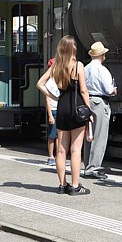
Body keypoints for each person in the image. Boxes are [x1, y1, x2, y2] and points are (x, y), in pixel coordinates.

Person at [37, 36, 91, 195]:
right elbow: (83, 90)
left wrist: (53, 97)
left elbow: (39, 83)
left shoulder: (56, 66)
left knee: (61, 150)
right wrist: (88, 110)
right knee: (75, 149)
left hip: (61, 108)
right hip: (76, 108)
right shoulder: (78, 65)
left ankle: (62, 185)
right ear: (73, 49)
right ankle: (75, 186)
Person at [82, 41, 116, 180]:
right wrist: (114, 90)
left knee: (89, 135)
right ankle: (93, 167)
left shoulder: (85, 68)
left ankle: (87, 165)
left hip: (87, 101)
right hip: (99, 102)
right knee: (99, 136)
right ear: (102, 55)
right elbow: (108, 89)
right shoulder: (102, 70)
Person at [44, 57, 59, 166]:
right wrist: (50, 115)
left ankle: (59, 155)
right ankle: (50, 156)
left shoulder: (60, 79)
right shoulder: (49, 81)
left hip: (60, 109)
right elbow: (47, 100)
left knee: (59, 135)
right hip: (53, 110)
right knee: (52, 135)